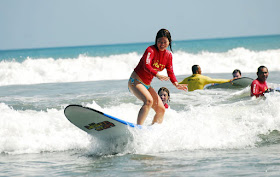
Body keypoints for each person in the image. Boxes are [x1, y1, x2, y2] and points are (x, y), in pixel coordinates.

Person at [128, 29, 187, 125]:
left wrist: (176, 83)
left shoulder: (168, 55)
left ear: (169, 42)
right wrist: (157, 74)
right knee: (148, 101)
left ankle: (153, 130)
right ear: (156, 41)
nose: (162, 44)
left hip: (146, 85)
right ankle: (138, 128)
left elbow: (170, 72)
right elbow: (146, 65)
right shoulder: (150, 50)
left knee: (161, 110)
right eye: (159, 41)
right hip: (135, 81)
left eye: (165, 42)